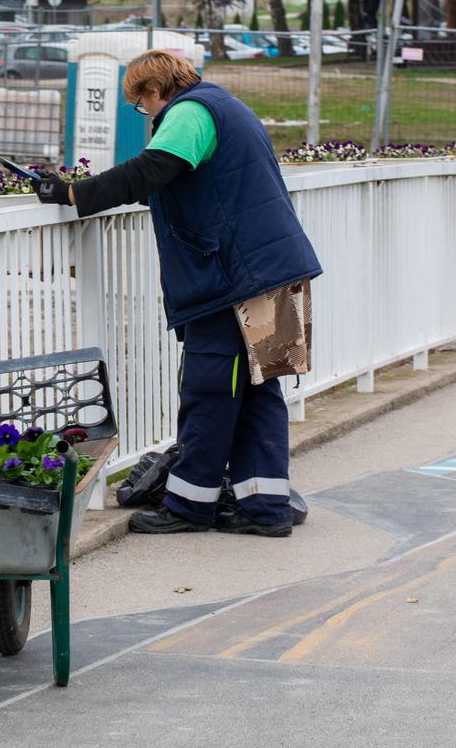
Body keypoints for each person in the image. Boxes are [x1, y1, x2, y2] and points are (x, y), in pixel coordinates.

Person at [33, 50, 321, 538]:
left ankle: (190, 505)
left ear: (153, 90)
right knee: (260, 389)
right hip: (276, 269)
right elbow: (179, 183)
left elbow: (150, 170)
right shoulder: (226, 107)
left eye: (141, 105)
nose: (145, 114)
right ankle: (265, 506)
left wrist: (72, 194)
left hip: (232, 277)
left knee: (211, 389)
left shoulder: (189, 113)